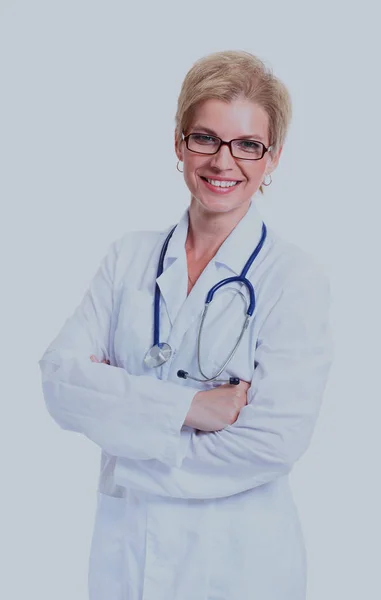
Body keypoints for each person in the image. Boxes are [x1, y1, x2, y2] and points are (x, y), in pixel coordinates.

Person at [38, 50, 333, 600]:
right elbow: (58, 381)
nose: (225, 161)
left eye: (248, 145)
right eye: (206, 138)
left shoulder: (293, 279)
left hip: (239, 566)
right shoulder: (128, 259)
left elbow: (271, 443)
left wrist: (124, 430)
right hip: (126, 558)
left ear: (272, 159)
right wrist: (192, 410)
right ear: (179, 143)